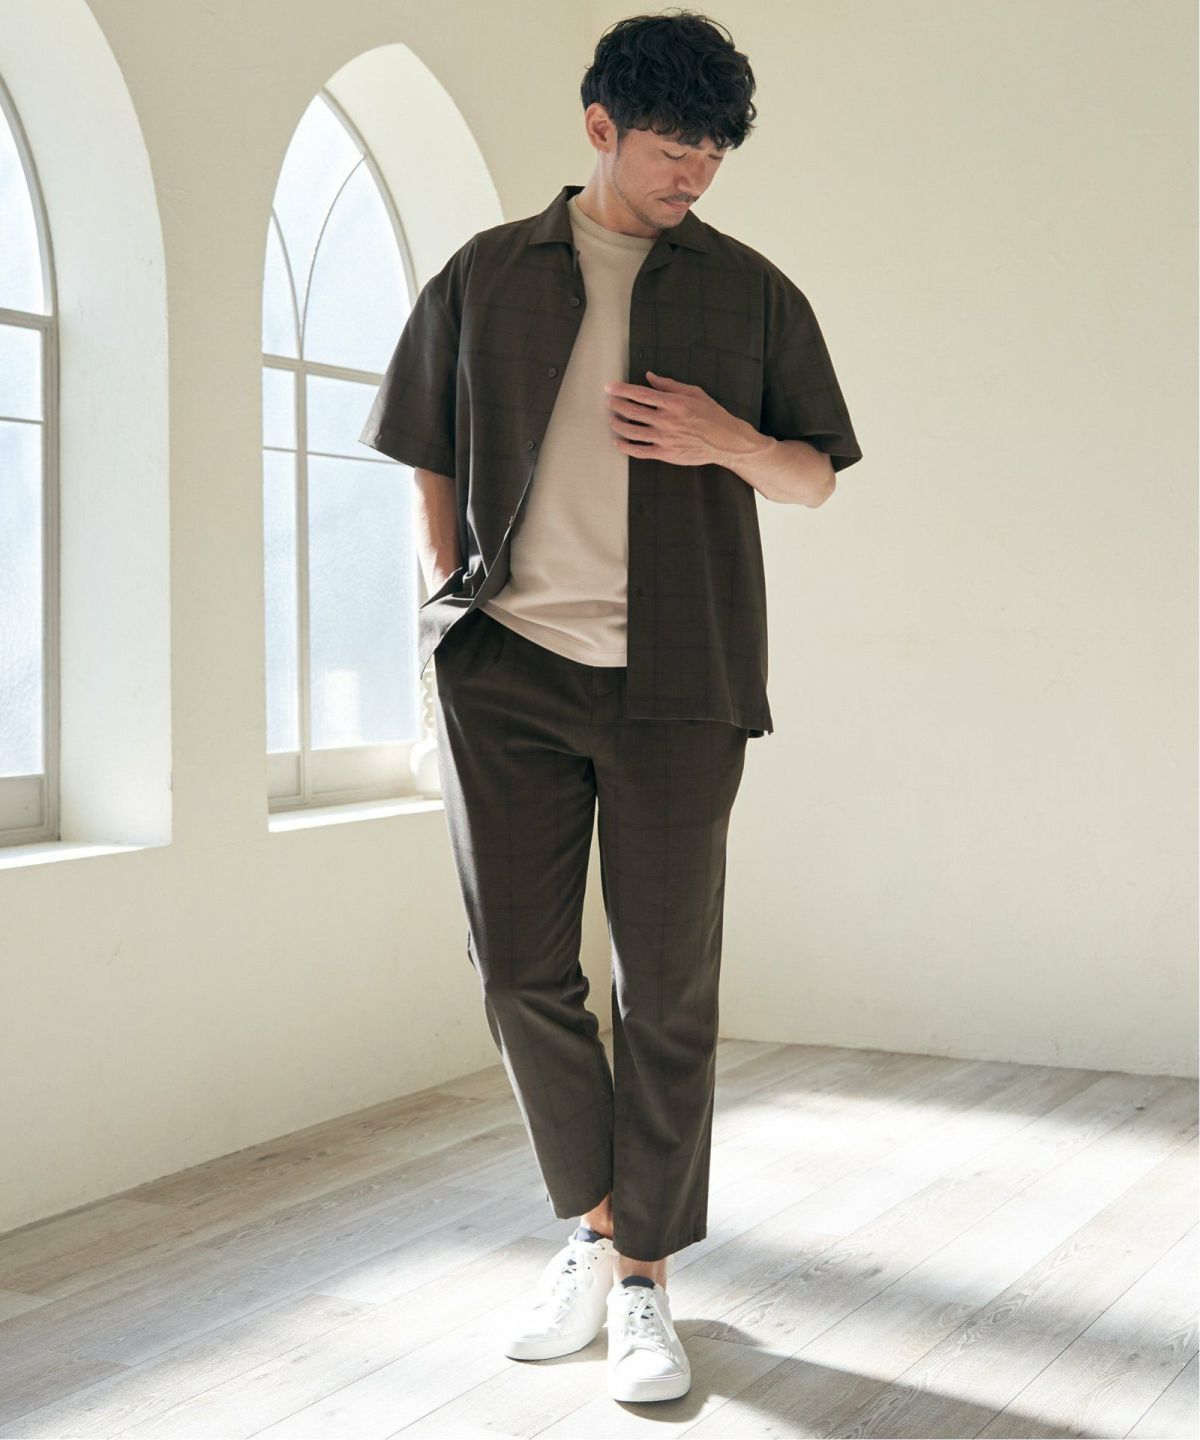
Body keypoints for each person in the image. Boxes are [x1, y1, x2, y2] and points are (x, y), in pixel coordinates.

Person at [359, 8, 862, 1405]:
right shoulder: (486, 275)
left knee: (668, 986)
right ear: (600, 126)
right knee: (520, 972)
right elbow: (423, 447)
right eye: (670, 144)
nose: (693, 172)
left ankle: (641, 1280)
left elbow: (815, 477)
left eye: (713, 152)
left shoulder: (752, 294)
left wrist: (727, 439)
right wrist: (448, 601)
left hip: (681, 683)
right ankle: (595, 1229)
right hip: (508, 669)